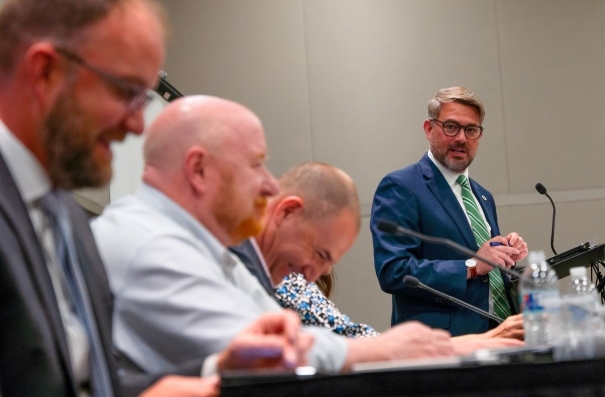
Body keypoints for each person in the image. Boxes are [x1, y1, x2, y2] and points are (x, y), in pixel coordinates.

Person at [0, 0, 307, 397]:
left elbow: (85, 381)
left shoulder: (66, 216)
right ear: (45, 71)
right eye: (126, 92)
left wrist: (212, 370)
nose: (139, 127)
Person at [92, 96, 455, 378]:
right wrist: (381, 350)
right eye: (255, 164)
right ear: (199, 169)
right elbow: (264, 352)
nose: (269, 184)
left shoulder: (208, 251)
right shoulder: (151, 243)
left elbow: (289, 338)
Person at [232, 162, 524, 349]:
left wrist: (484, 339)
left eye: (473, 129)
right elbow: (346, 340)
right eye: (320, 253)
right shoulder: (241, 269)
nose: (321, 273)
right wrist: (477, 341)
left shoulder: (482, 195)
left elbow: (337, 340)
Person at [370, 87, 529, 337]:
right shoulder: (402, 187)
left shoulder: (482, 195)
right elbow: (394, 271)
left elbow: (485, 269)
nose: (461, 139)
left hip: (499, 335)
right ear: (428, 129)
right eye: (451, 127)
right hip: (441, 343)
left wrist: (505, 254)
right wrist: (472, 265)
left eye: (471, 130)